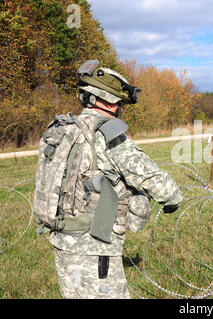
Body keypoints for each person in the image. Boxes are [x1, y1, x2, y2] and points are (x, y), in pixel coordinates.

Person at [34, 60, 183, 298]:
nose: (120, 108)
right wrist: (174, 199)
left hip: (62, 240)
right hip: (95, 248)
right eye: (120, 102)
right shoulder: (108, 134)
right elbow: (163, 187)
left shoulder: (61, 129)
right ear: (110, 102)